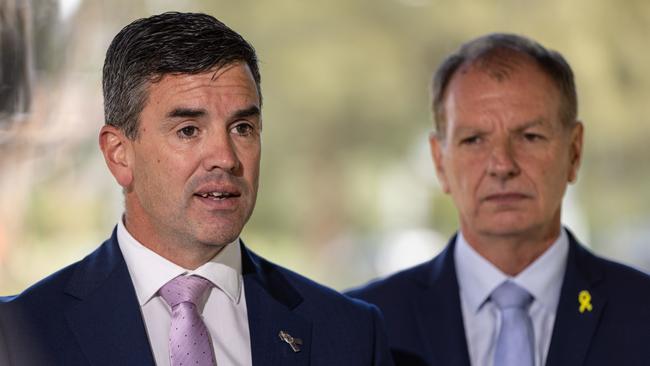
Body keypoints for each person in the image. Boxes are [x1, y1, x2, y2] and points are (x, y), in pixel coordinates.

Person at [0, 12, 392, 366]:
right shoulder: (17, 335)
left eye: (242, 128)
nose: (225, 157)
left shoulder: (351, 334)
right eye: (188, 130)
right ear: (119, 154)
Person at [347, 33, 650, 366]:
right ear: (439, 162)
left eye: (530, 136)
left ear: (574, 151)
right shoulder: (361, 328)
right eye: (474, 139)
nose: (503, 165)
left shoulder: (641, 312)